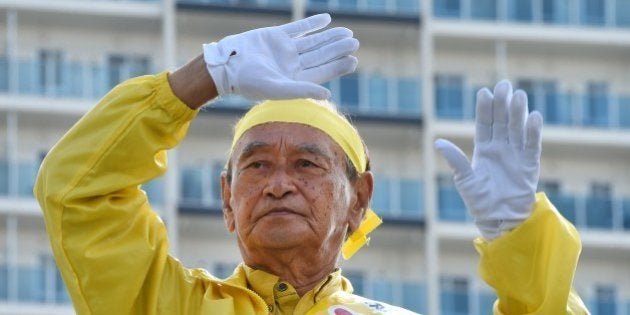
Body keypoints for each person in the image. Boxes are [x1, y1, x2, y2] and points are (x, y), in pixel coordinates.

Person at [33, 13, 588, 314]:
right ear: (227, 200)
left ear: (359, 200)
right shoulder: (166, 307)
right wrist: (208, 73)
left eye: (306, 164)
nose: (278, 184)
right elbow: (74, 193)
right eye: (255, 166)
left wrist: (518, 234)